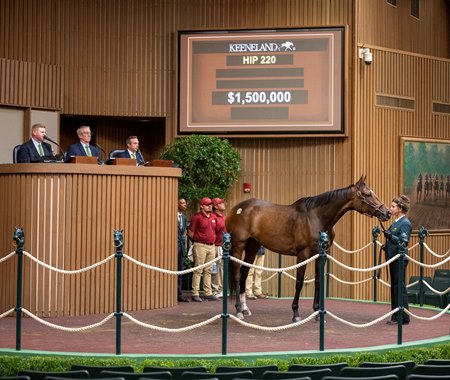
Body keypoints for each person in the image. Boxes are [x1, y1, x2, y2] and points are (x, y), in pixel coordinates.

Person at [384, 195, 412, 325]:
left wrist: (390, 237)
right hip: (393, 257)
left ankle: (403, 317)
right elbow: (396, 240)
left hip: (400, 259)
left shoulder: (405, 223)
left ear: (400, 208)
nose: (391, 208)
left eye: (393, 206)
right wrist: (387, 245)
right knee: (395, 287)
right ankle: (396, 315)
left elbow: (403, 242)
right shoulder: (396, 222)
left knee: (399, 287)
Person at [187, 197, 218, 302]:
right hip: (200, 245)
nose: (210, 206)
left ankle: (207, 293)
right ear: (202, 206)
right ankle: (195, 293)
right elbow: (190, 232)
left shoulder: (213, 217)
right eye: (207, 204)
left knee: (208, 270)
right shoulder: (197, 217)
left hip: (211, 246)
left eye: (211, 204)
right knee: (198, 270)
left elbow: (216, 231)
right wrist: (196, 242)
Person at [211, 197, 226, 298]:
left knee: (221, 269)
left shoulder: (224, 217)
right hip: (215, 246)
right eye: (221, 203)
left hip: (223, 246)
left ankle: (221, 289)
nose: (224, 204)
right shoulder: (213, 217)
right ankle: (215, 290)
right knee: (214, 269)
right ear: (216, 206)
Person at [177, 198, 189, 302]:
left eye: (185, 203)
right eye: (182, 203)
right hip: (174, 247)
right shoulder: (172, 216)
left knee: (180, 271)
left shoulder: (184, 217)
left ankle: (179, 294)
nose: (184, 205)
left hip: (181, 247)